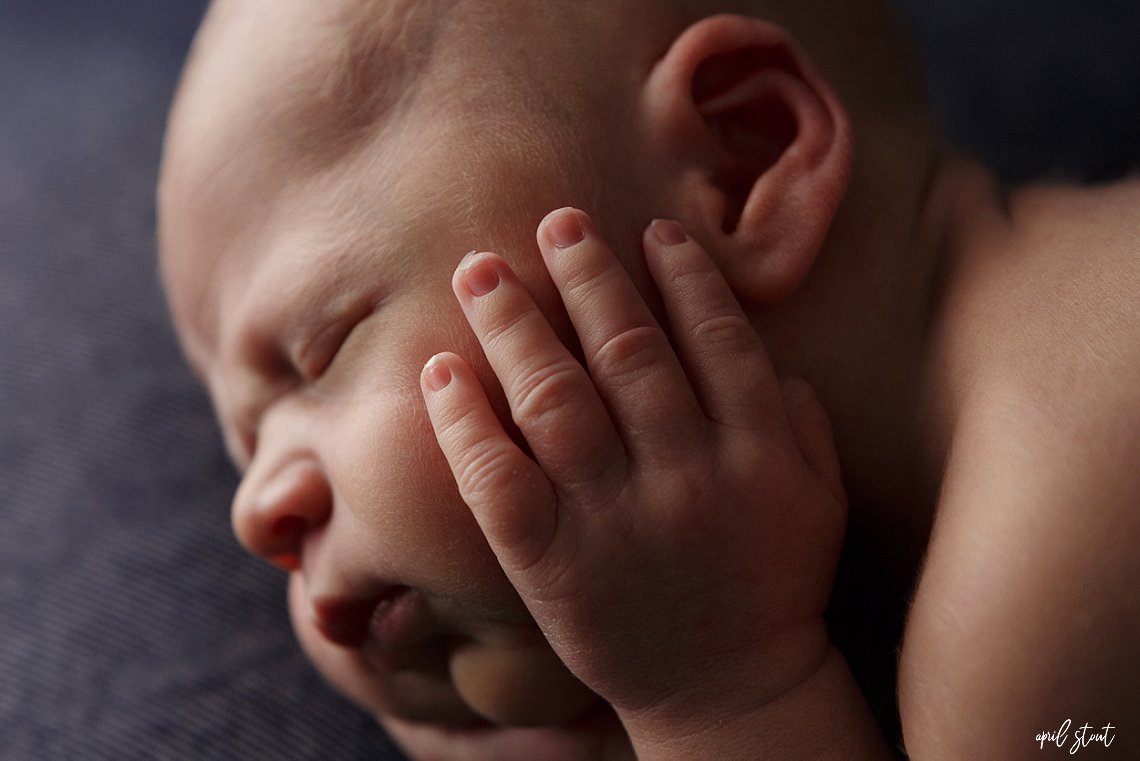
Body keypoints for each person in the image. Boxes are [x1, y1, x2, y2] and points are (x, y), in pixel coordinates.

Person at [157, 0, 1140, 758]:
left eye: (321, 343)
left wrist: (719, 694)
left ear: (741, 159)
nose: (257, 511)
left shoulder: (1040, 608)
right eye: (244, 443)